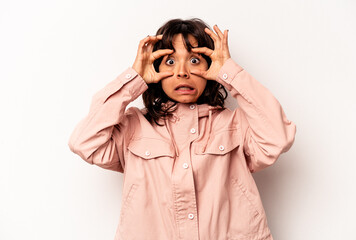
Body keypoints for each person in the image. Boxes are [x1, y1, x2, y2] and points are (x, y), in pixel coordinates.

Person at [68, 18, 296, 240]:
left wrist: (231, 74)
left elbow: (278, 138)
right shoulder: (133, 126)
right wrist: (134, 79)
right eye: (170, 61)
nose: (182, 72)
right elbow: (84, 142)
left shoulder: (234, 125)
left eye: (195, 60)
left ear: (211, 67)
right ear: (155, 68)